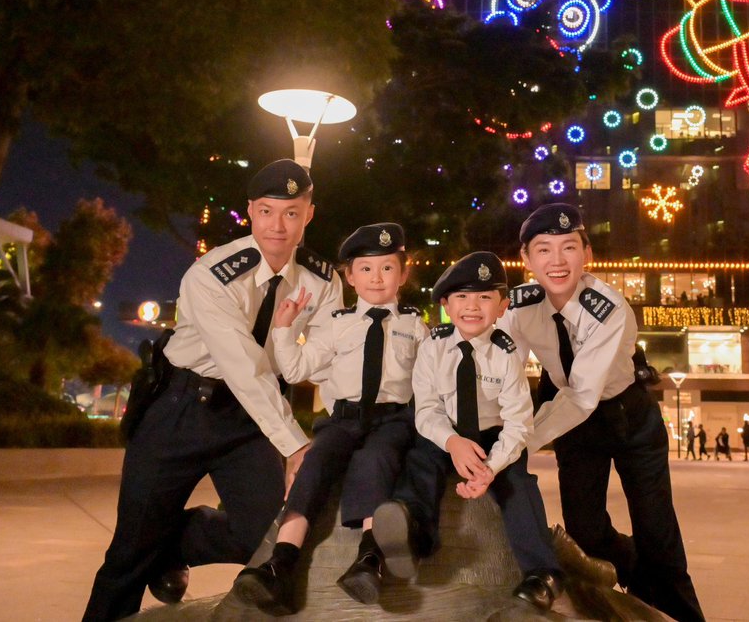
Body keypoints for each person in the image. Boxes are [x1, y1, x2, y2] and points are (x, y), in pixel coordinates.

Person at [82, 160, 344, 622]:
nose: (278, 226)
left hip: (248, 423)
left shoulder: (322, 281)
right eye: (266, 211)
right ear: (251, 211)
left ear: (309, 214)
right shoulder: (212, 274)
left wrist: (344, 428)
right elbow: (243, 366)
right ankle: (149, 550)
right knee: (129, 555)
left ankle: (177, 541)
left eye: (291, 213)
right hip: (180, 410)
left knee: (267, 539)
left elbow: (330, 360)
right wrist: (294, 444)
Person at [501, 203, 704, 622]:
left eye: (569, 247)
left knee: (657, 533)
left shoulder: (608, 309)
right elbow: (502, 370)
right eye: (543, 249)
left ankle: (683, 614)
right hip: (575, 422)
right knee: (585, 532)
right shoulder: (518, 307)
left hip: (627, 417)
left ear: (587, 254)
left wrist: (516, 443)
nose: (557, 261)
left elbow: (582, 395)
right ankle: (638, 577)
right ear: (526, 259)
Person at [232, 223, 428, 614]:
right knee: (316, 462)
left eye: (387, 268)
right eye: (366, 269)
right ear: (350, 276)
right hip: (343, 419)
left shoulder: (415, 326)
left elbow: (429, 381)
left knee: (377, 460)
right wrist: (284, 329)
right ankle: (281, 562)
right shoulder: (339, 324)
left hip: (392, 420)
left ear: (403, 274)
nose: (376, 278)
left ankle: (369, 560)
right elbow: (295, 369)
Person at [372, 252, 564, 612]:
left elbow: (518, 422)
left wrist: (490, 468)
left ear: (502, 307)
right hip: (446, 433)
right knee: (420, 464)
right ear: (446, 305)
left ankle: (543, 574)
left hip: (494, 437)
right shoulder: (433, 348)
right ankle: (413, 535)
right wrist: (452, 442)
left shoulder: (506, 354)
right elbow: (426, 409)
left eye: (485, 297)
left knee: (518, 484)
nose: (472, 307)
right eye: (461, 296)